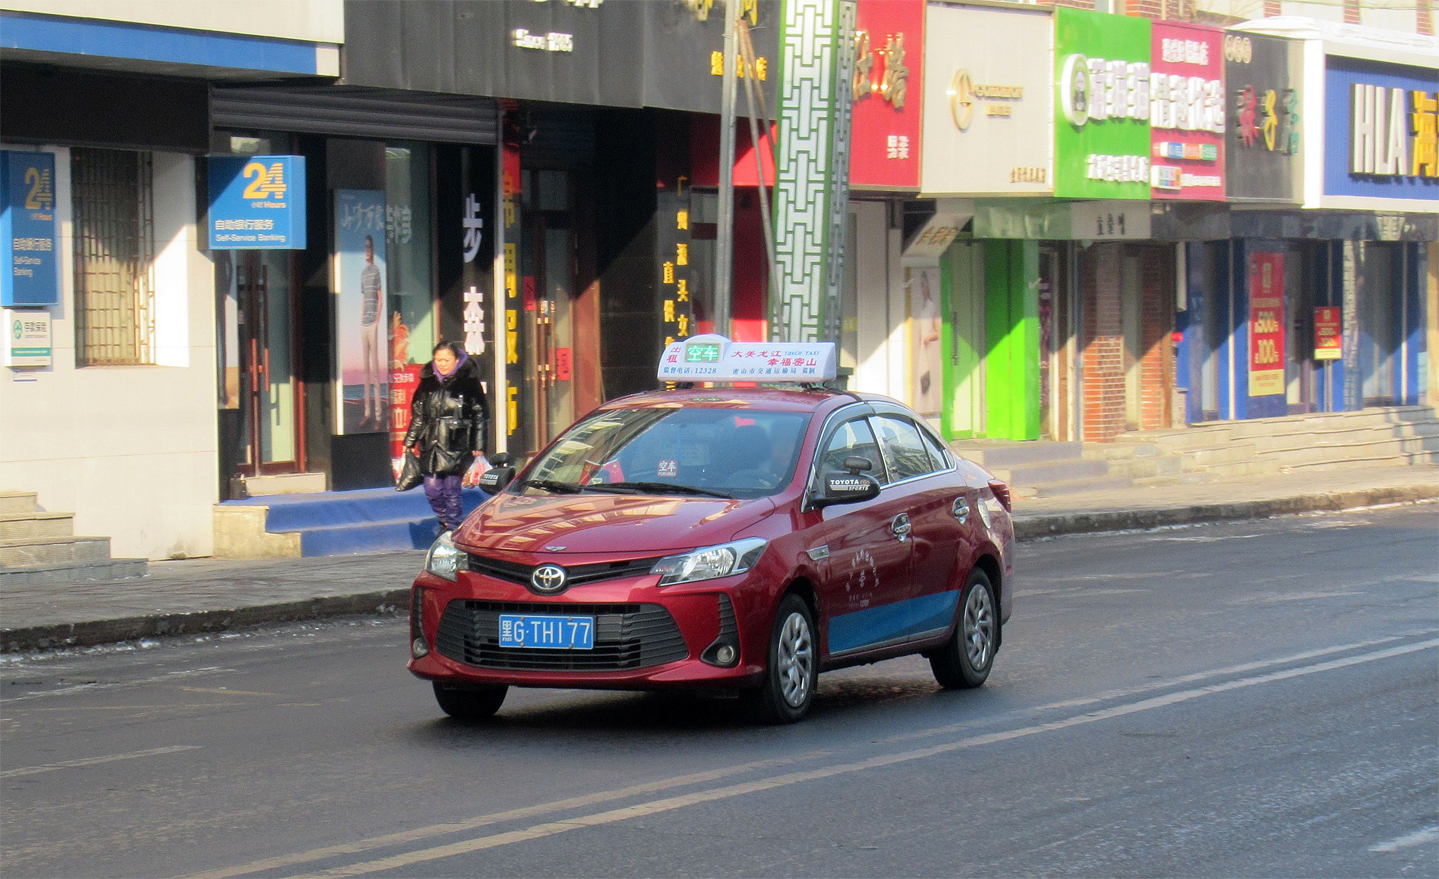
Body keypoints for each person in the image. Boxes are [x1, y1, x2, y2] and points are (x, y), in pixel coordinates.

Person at [403, 341, 490, 533]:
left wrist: (479, 444)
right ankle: (445, 520)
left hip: (457, 441)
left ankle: (452, 527)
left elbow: (480, 415)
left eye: (446, 360)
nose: (442, 364)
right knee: (432, 488)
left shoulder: (469, 382)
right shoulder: (427, 382)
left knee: (452, 489)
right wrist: (409, 442)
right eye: (438, 360)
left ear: (456, 360)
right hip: (432, 441)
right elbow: (418, 414)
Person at [359, 235, 384, 430]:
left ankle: (378, 415)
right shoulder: (363, 273)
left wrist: (377, 319)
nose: (367, 251)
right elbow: (363, 298)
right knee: (365, 370)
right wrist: (362, 319)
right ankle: (367, 412)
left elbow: (379, 297)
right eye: (365, 248)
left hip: (373, 324)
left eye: (370, 247)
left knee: (375, 370)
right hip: (363, 323)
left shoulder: (376, 271)